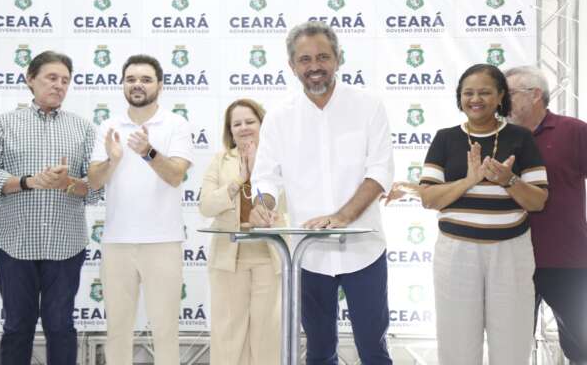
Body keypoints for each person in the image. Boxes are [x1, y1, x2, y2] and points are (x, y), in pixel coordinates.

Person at [249, 21, 395, 365]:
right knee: (318, 350)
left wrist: (342, 216)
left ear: (338, 58)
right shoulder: (279, 117)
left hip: (364, 249)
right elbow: (266, 178)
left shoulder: (368, 106)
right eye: (305, 59)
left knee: (373, 348)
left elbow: (380, 171)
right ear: (292, 65)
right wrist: (262, 205)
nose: (314, 66)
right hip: (308, 254)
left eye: (322, 57)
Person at [419, 63, 548, 364]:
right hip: (456, 253)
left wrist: (508, 180)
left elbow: (538, 201)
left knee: (512, 342)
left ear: (501, 96)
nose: (475, 99)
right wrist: (469, 181)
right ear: (459, 97)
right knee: (457, 344)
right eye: (468, 93)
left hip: (510, 252)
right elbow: (428, 198)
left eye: (485, 92)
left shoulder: (521, 138)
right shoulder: (445, 138)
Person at [0, 50, 101, 365]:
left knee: (61, 327)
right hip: (15, 244)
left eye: (65, 80)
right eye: (52, 78)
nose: (59, 85)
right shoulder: (3, 124)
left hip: (66, 246)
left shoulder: (83, 129)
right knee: (16, 328)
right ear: (30, 79)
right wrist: (30, 182)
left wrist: (67, 184)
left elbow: (94, 188)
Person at [87, 54, 193, 365]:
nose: (137, 84)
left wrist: (148, 152)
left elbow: (175, 175)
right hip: (117, 242)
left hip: (163, 241)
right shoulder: (108, 125)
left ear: (160, 85)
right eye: (131, 79)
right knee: (117, 330)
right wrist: (112, 160)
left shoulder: (176, 124)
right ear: (122, 84)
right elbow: (94, 181)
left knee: (165, 330)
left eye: (146, 79)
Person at [505, 65, 587, 365]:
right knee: (510, 347)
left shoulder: (574, 131)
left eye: (509, 94)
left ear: (535, 94)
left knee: (581, 344)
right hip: (511, 258)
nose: (502, 102)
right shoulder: (498, 138)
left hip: (566, 258)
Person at [200, 98, 285, 365]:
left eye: (250, 121)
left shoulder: (279, 159)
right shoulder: (220, 160)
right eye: (237, 124)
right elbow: (206, 206)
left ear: (262, 124)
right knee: (228, 336)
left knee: (267, 337)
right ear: (230, 130)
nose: (244, 128)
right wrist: (240, 178)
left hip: (269, 258)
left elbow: (289, 206)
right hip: (229, 260)